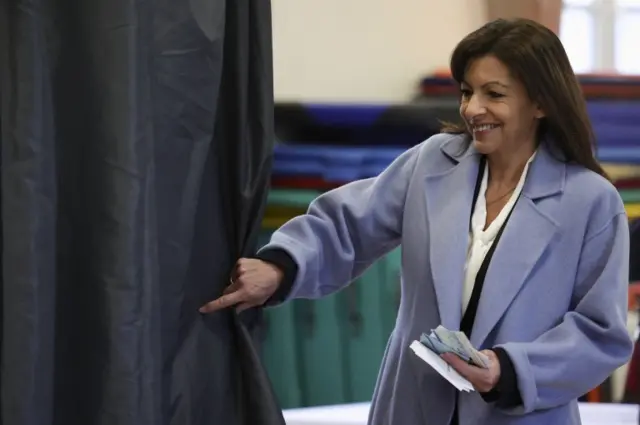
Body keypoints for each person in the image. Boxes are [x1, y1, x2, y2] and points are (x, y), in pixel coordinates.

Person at [200, 18, 634, 425]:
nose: (472, 108)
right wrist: (280, 267)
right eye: (467, 91)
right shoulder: (432, 163)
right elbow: (349, 226)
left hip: (519, 412)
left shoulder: (590, 201)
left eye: (494, 94)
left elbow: (600, 333)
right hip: (412, 403)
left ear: (541, 102)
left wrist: (508, 370)